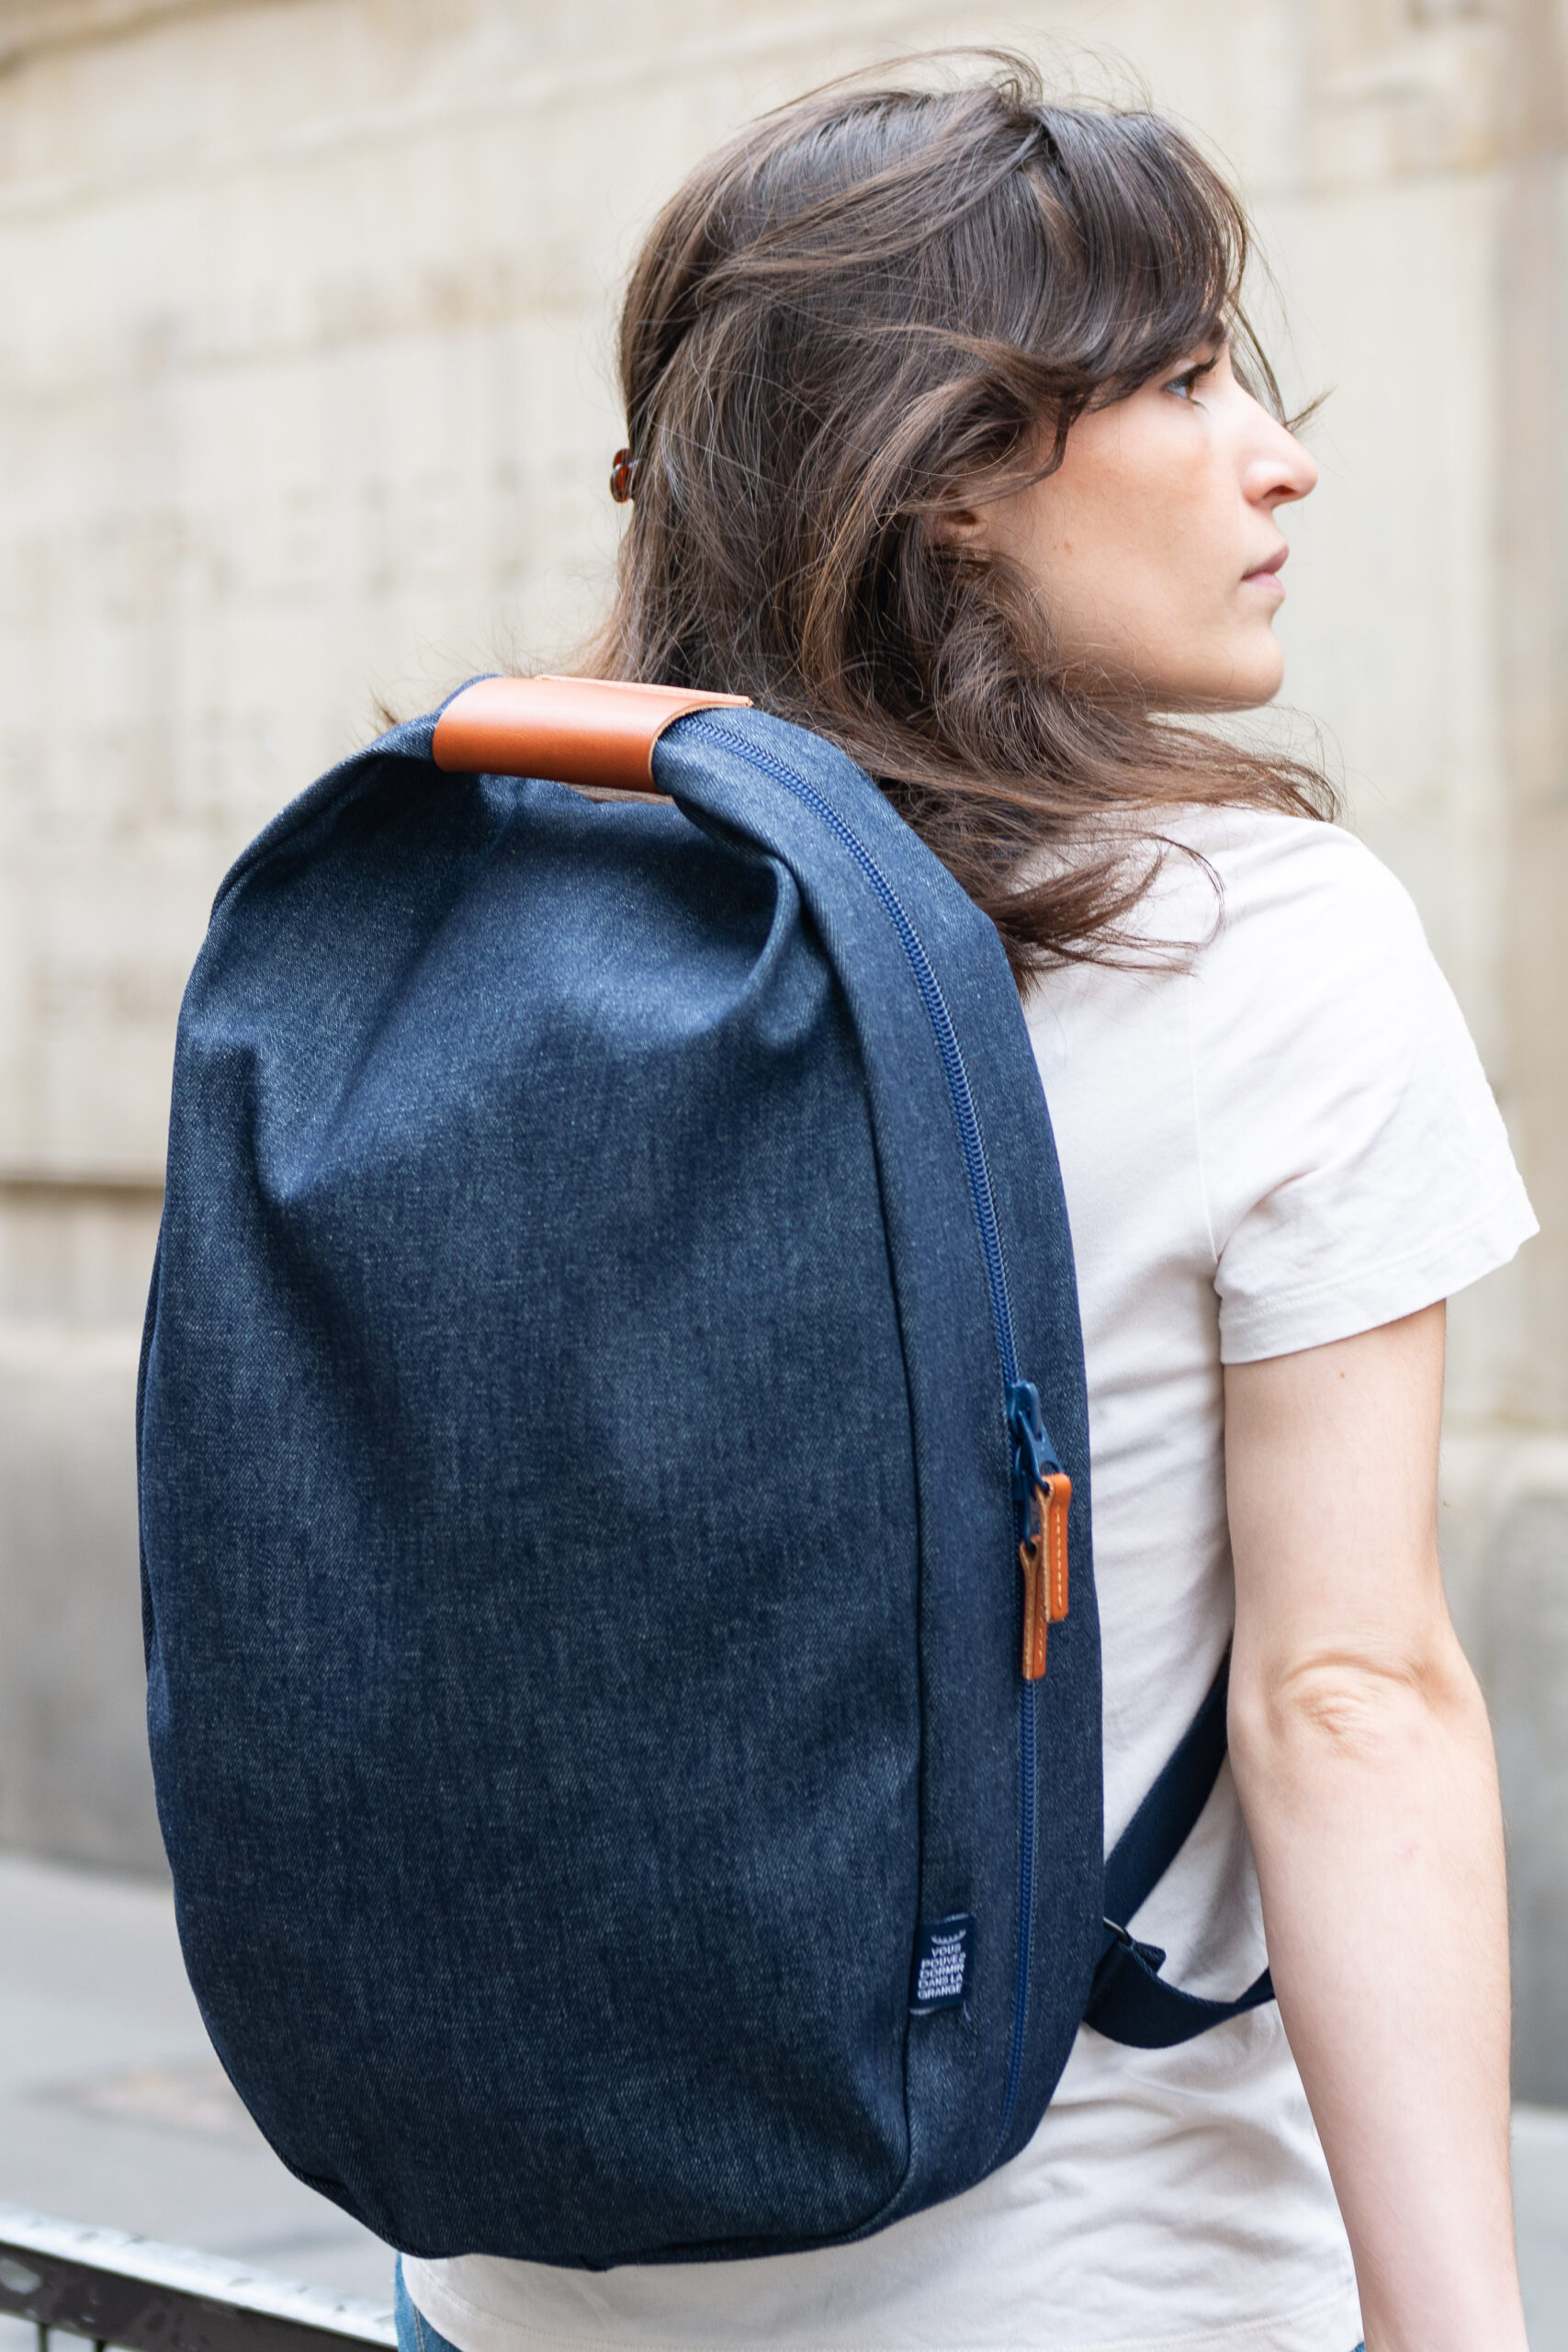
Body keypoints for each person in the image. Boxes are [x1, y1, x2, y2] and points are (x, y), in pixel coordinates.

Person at [394, 57, 1535, 2352]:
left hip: (510, 2279)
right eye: (1182, 380)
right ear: (946, 480)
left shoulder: (505, 885)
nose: (1278, 453)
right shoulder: (1259, 938)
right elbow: (1347, 1695)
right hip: (1083, 2288)